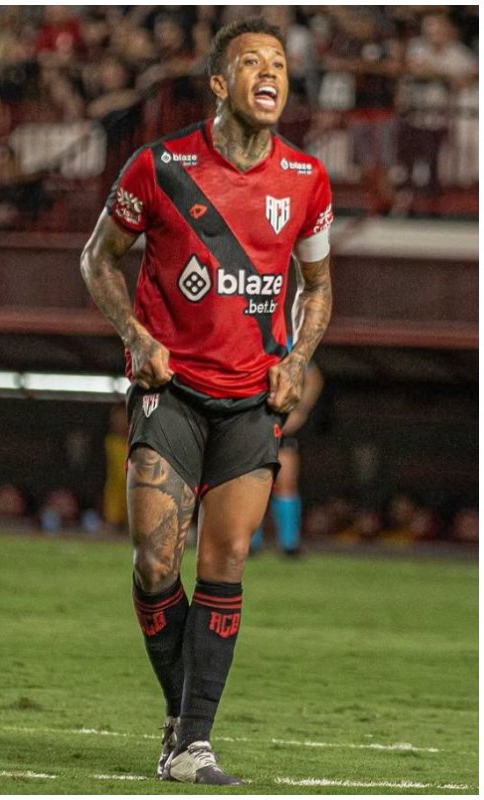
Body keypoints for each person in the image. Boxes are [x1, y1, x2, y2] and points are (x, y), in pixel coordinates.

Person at [78, 18, 333, 785]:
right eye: (252, 62)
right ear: (220, 84)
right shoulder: (159, 169)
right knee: (156, 561)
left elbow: (318, 290)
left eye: (280, 63)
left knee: (225, 559)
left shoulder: (307, 180)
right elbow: (97, 258)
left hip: (254, 398)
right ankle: (181, 717)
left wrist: (297, 358)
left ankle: (191, 740)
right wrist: (135, 336)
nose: (271, 73)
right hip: (172, 390)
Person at [250, 360, 323, 556]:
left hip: (279, 421)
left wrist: (300, 410)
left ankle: (289, 544)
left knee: (286, 481)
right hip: (249, 420)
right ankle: (249, 542)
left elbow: (314, 379)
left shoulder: (289, 345)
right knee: (250, 481)